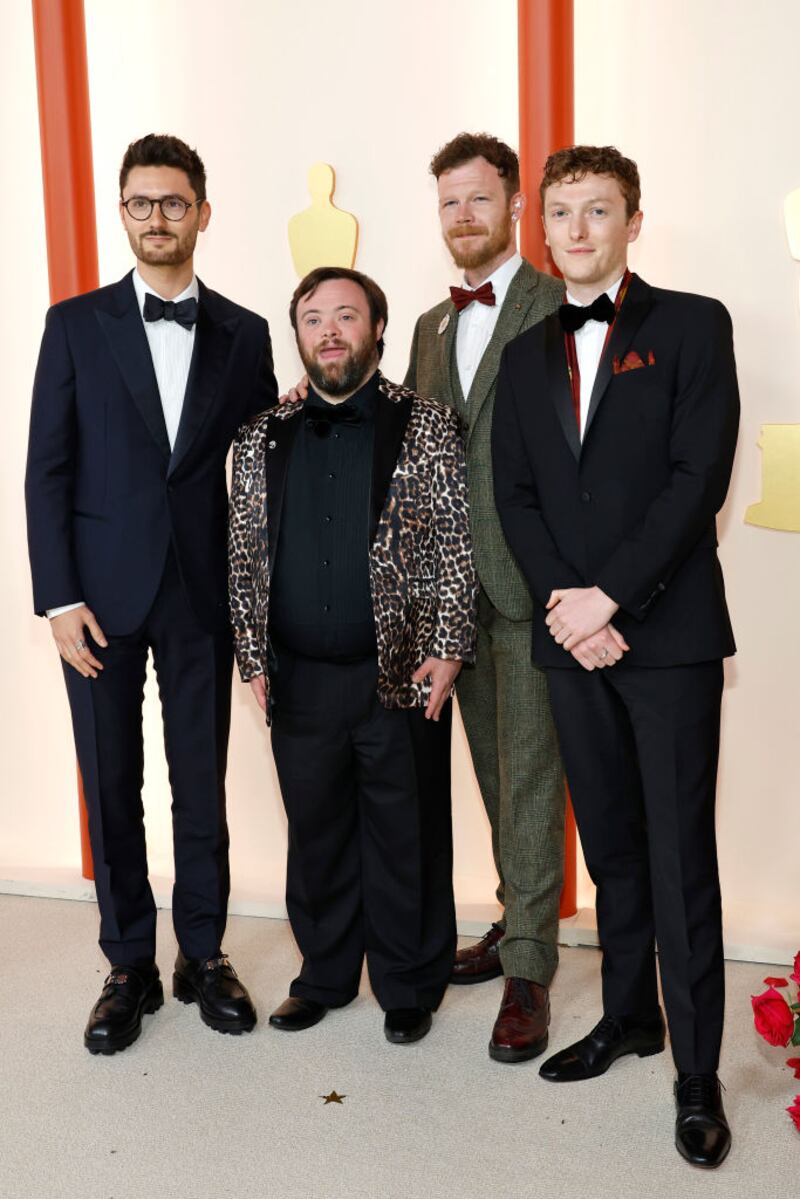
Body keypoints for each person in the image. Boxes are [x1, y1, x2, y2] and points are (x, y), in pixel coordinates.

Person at [491, 145, 739, 1168]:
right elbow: (515, 496)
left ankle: (695, 1071)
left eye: (598, 210)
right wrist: (565, 606)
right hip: (568, 640)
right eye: (561, 212)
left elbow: (697, 477)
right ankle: (629, 1016)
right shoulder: (519, 355)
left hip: (666, 633)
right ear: (539, 230)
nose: (578, 229)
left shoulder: (691, 323)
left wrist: (608, 596)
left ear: (631, 221)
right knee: (611, 850)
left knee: (680, 860)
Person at [25, 133, 276, 1054]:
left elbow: (257, 479)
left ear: (203, 213)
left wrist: (255, 604)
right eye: (142, 202)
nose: (159, 218)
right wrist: (58, 598)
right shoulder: (73, 324)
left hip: (201, 597)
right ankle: (128, 960)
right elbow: (45, 470)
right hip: (95, 600)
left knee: (198, 786)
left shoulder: (247, 333)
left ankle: (202, 953)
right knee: (111, 781)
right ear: (121, 211)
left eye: (176, 202)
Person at [229, 267, 477, 1045]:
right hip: (297, 673)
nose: (329, 331)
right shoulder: (258, 436)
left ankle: (408, 982)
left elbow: (453, 542)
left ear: (377, 327)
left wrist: (448, 643)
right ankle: (327, 974)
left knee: (406, 830)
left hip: (399, 673)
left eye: (346, 316)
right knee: (318, 828)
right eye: (313, 318)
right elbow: (241, 552)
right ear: (296, 334)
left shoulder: (427, 424)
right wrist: (252, 653)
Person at [405, 133, 566, 1062]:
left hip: (535, 582)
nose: (463, 218)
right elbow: (423, 445)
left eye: (479, 200)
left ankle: (531, 972)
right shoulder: (428, 325)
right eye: (448, 205)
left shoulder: (555, 303)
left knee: (534, 774)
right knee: (495, 774)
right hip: (458, 598)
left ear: (513, 206)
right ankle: (517, 920)